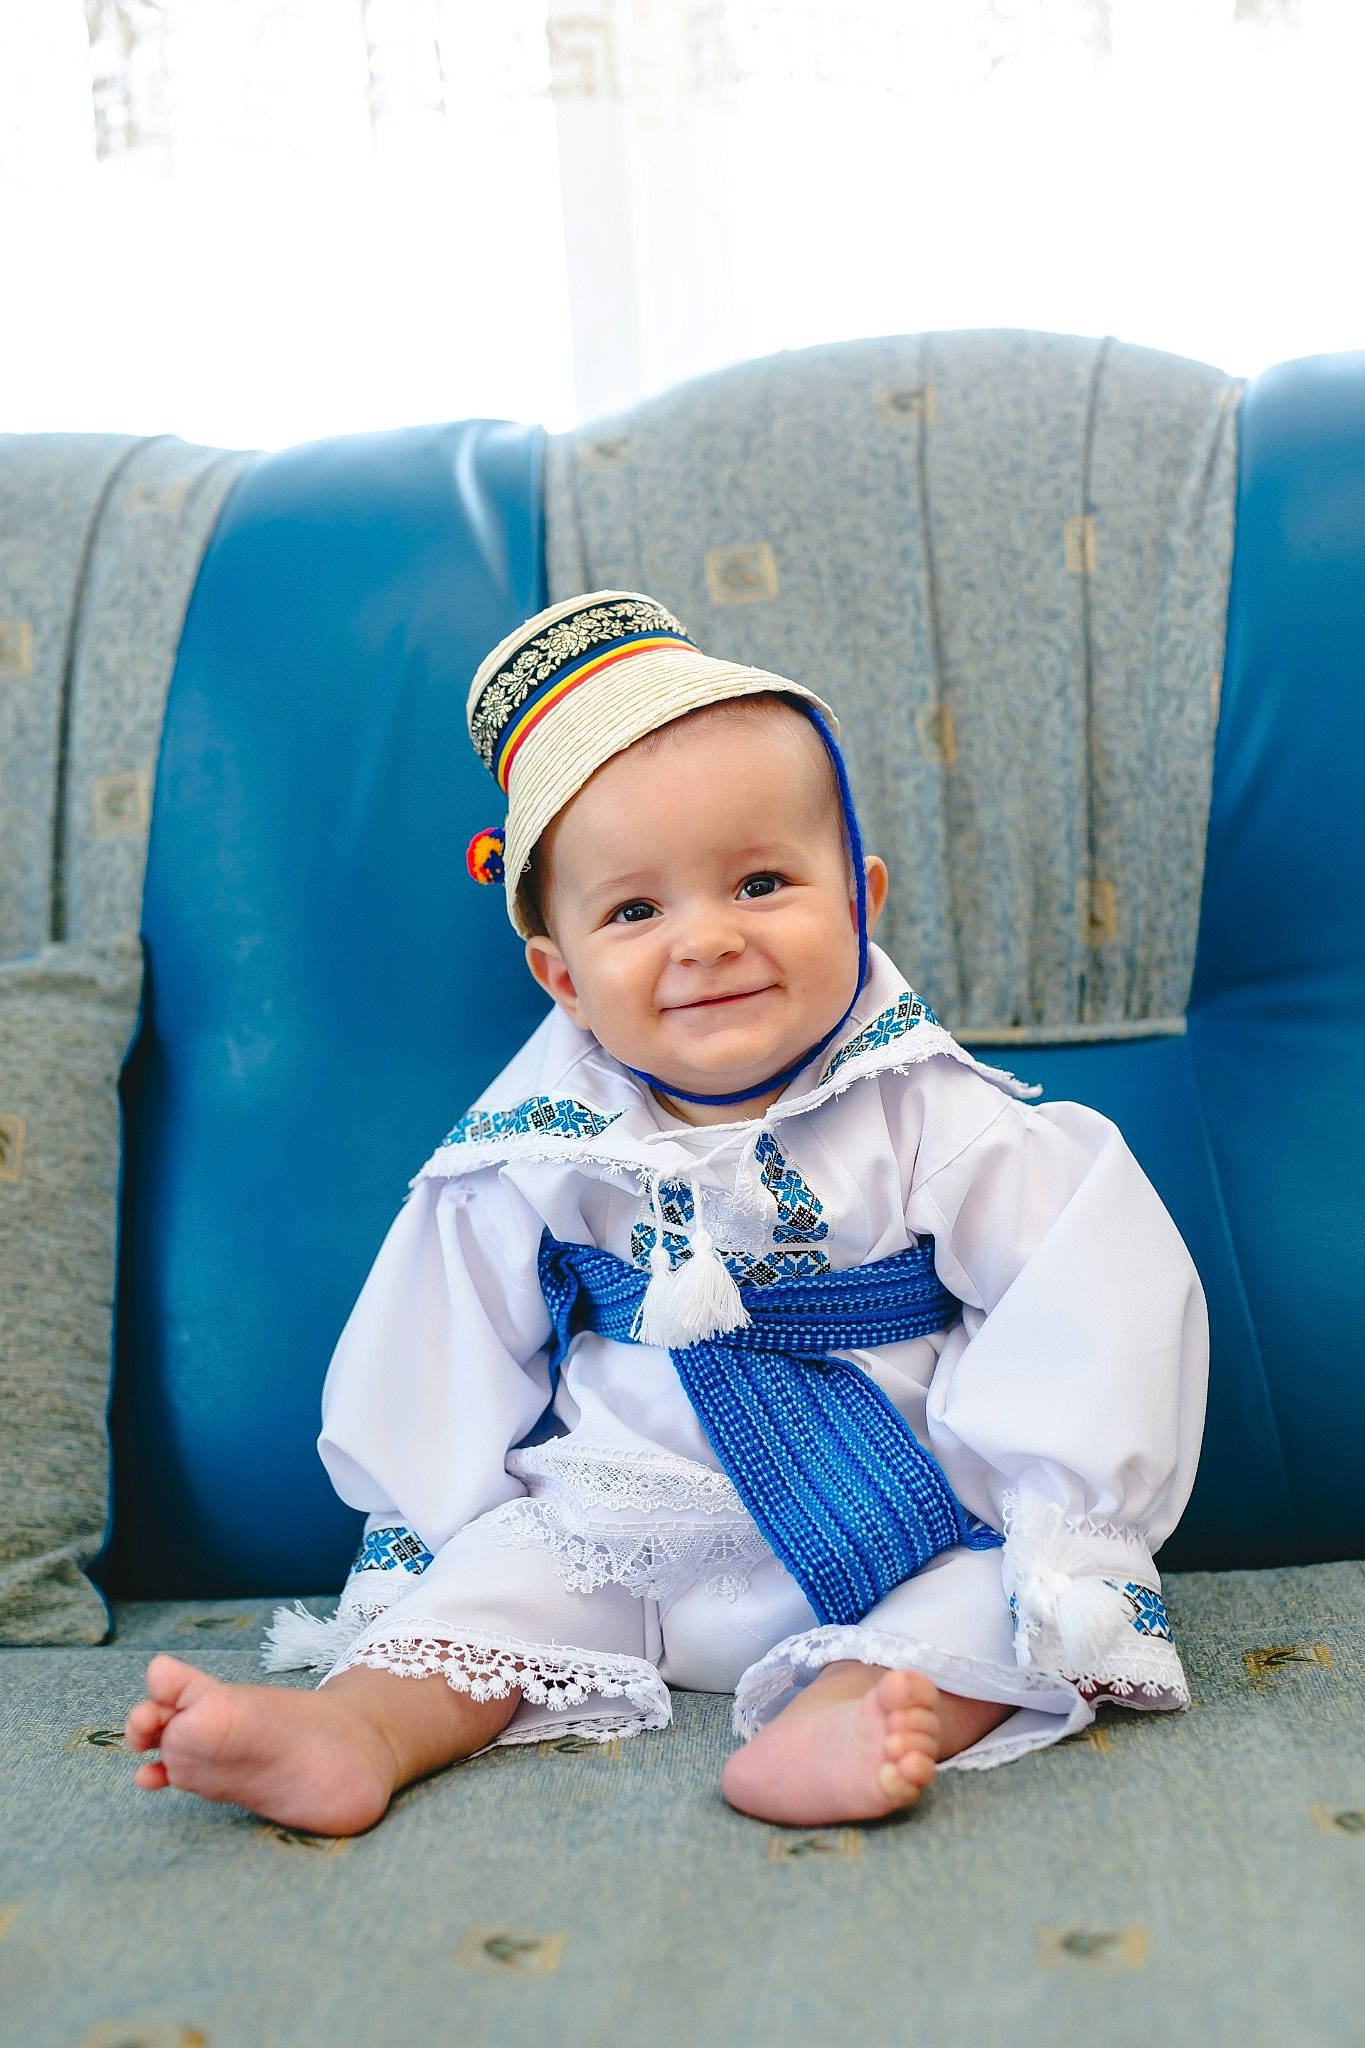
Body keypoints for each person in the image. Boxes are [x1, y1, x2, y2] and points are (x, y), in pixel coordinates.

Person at [124, 590, 1208, 1836]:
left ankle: (836, 1717)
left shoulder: (937, 1114)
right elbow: (446, 1333)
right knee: (503, 1580)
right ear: (562, 974)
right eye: (636, 910)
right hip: (623, 1522)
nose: (705, 940)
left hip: (898, 1517)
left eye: (759, 880)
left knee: (987, 1601)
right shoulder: (529, 1149)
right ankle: (360, 1725)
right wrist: (429, 1524)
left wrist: (1067, 1511)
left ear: (861, 896)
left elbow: (1085, 1296)